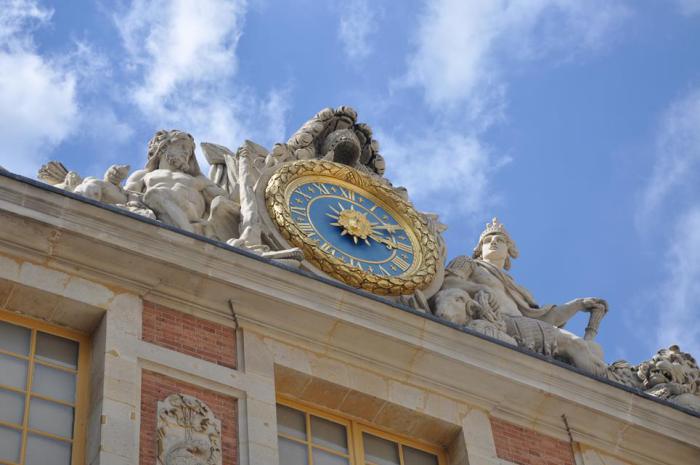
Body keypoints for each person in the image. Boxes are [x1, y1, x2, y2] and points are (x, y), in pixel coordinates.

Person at [437, 218, 608, 375]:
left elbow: (545, 318)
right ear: (480, 250)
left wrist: (578, 305)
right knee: (576, 346)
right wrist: (480, 288)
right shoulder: (468, 263)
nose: (493, 242)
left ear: (509, 250)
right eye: (487, 241)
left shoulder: (519, 289)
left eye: (500, 240)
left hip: (521, 325)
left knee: (579, 345)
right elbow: (448, 283)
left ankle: (603, 389)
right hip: (493, 319)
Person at [124, 130, 240, 241]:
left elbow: (226, 200)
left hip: (191, 216)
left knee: (155, 194)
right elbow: (129, 195)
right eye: (182, 147)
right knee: (153, 195)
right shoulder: (144, 175)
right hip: (162, 212)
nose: (186, 153)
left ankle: (188, 234)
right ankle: (188, 234)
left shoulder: (198, 179)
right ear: (164, 147)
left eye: (189, 152)